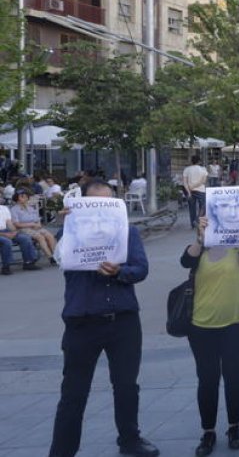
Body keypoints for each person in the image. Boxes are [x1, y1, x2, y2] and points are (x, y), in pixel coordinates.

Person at [48, 181, 159, 457]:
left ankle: (130, 439)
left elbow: (141, 269)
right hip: (82, 321)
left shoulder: (128, 232)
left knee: (126, 386)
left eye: (108, 204)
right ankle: (62, 451)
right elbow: (59, 259)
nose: (101, 211)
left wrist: (119, 272)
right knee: (73, 393)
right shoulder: (68, 232)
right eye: (93, 204)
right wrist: (66, 227)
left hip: (122, 319)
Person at [182, 208, 239, 456]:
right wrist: (200, 236)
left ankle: (234, 427)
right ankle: (207, 432)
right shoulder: (199, 248)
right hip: (200, 326)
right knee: (207, 380)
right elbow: (185, 261)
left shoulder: (238, 246)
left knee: (234, 376)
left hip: (237, 324)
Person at [10, 188, 56, 265]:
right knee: (40, 237)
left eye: (26, 196)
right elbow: (16, 224)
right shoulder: (14, 209)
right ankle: (50, 257)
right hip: (23, 228)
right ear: (17, 198)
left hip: (34, 227)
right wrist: (31, 224)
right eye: (23, 196)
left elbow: (37, 219)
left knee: (49, 235)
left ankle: (56, 255)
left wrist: (38, 224)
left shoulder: (30, 208)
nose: (26, 198)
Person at [0, 200, 38, 274]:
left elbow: (9, 223)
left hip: (6, 230)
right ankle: (6, 266)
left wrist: (14, 231)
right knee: (7, 241)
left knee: (25, 238)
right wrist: (5, 235)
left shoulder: (4, 208)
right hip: (2, 234)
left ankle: (28, 262)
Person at [184, 156, 210, 228]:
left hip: (190, 190)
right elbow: (203, 181)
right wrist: (195, 186)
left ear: (191, 161)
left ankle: (193, 223)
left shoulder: (187, 169)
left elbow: (185, 183)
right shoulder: (203, 169)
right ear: (199, 162)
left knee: (191, 208)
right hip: (201, 190)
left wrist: (189, 191)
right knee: (203, 206)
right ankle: (198, 220)